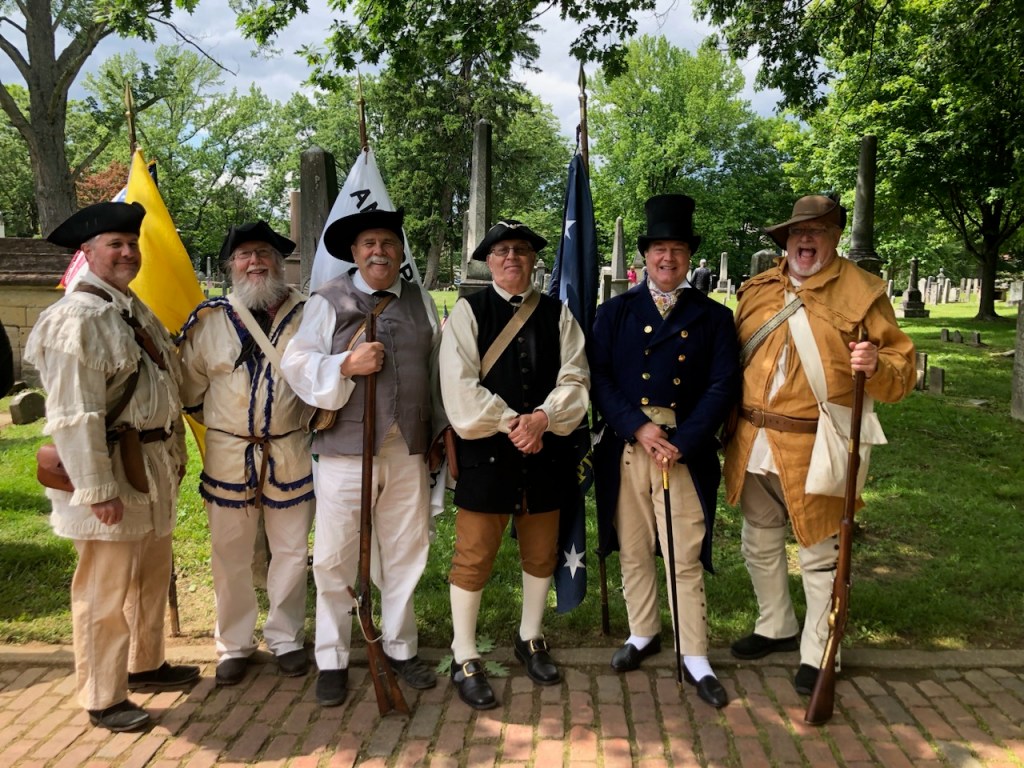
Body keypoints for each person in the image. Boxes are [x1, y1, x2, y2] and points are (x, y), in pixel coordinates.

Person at [724, 194, 915, 695]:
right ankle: (775, 625)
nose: (805, 239)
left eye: (817, 231)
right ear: (786, 240)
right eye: (797, 232)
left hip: (818, 443)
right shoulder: (758, 290)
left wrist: (876, 365)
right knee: (759, 540)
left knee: (819, 553)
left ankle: (819, 650)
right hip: (752, 437)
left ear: (834, 237)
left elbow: (901, 369)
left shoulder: (863, 292)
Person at [24, 202, 199, 732]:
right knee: (104, 589)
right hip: (108, 468)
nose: (127, 253)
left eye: (131, 243)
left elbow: (163, 386)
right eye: (114, 245)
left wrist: (174, 455)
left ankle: (145, 663)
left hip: (148, 465)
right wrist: (97, 489)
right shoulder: (77, 318)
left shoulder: (129, 308)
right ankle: (102, 695)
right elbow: (74, 414)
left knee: (149, 573)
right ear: (87, 252)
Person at [280, 208, 443, 707]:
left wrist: (439, 433)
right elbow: (296, 362)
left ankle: (399, 646)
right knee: (335, 557)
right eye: (369, 243)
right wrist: (345, 364)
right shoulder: (328, 300)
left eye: (388, 243)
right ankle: (332, 656)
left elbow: (436, 369)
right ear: (354, 253)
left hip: (407, 450)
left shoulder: (420, 300)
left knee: (404, 552)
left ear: (400, 251)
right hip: (347, 452)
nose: (379, 252)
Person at [589, 194, 740, 709]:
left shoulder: (714, 317)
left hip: (682, 450)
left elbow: (722, 386)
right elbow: (599, 378)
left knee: (683, 553)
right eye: (659, 249)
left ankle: (695, 654)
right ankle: (643, 632)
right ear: (645, 256)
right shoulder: (614, 313)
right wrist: (637, 426)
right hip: (628, 446)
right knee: (633, 548)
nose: (667, 258)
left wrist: (682, 440)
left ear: (689, 256)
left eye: (677, 249)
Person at [440, 219, 590, 710]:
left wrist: (544, 418)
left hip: (545, 452)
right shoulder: (469, 311)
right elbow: (459, 387)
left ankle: (530, 637)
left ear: (532, 259)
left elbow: (576, 378)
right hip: (487, 454)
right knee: (473, 555)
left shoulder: (558, 314)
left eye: (521, 250)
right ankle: (464, 653)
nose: (512, 258)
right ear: (489, 260)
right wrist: (513, 423)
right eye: (502, 250)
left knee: (542, 553)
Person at [178, 222, 315, 687]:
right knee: (229, 552)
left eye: (263, 253)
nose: (255, 262)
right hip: (228, 454)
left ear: (279, 261)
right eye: (244, 255)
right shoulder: (209, 320)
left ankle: (286, 637)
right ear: (231, 266)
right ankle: (234, 644)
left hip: (291, 450)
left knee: (292, 551)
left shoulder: (310, 315)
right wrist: (232, 425)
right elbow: (190, 390)